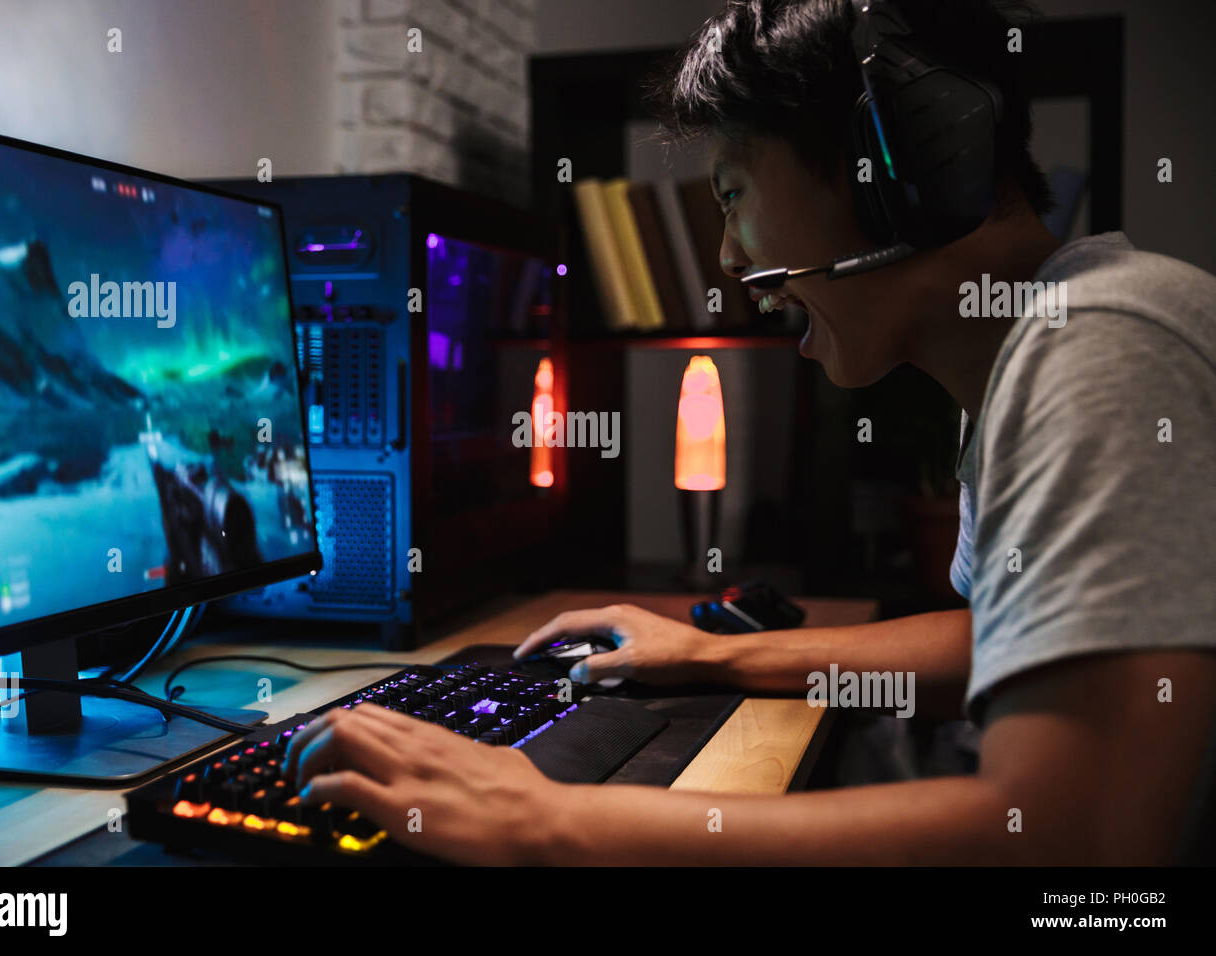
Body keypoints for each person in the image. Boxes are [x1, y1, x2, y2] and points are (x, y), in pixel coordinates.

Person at [282, 0, 1216, 865]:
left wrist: (547, 821)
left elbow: (1078, 839)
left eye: (732, 193)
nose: (730, 257)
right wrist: (711, 654)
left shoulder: (1100, 344)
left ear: (898, 168)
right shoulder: (1047, 338)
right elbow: (1000, 640)